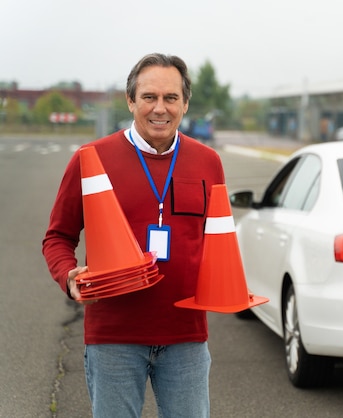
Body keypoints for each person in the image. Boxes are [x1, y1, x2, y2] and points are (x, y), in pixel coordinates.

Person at [42, 53, 224, 418]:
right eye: (149, 97)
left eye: (171, 98)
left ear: (185, 103)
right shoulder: (91, 158)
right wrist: (68, 275)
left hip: (186, 337)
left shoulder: (208, 162)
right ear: (131, 100)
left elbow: (217, 245)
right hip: (114, 337)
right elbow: (58, 236)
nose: (160, 108)